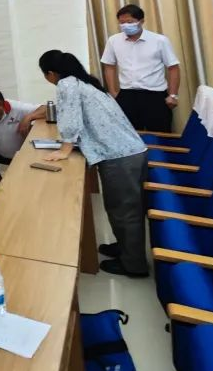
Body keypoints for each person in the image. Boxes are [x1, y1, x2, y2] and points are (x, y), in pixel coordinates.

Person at [38, 50, 149, 278]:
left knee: (125, 211)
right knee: (121, 208)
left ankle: (134, 265)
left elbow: (70, 119)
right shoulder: (86, 82)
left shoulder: (67, 84)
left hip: (120, 155)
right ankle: (125, 248)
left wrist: (64, 150)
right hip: (126, 152)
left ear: (51, 73)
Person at [100, 4, 180, 133]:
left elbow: (173, 68)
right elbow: (109, 66)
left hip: (155, 96)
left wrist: (173, 95)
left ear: (141, 21)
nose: (125, 25)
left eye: (129, 22)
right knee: (129, 135)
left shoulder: (159, 40)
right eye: (122, 22)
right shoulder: (113, 41)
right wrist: (113, 92)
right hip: (127, 95)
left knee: (160, 135)